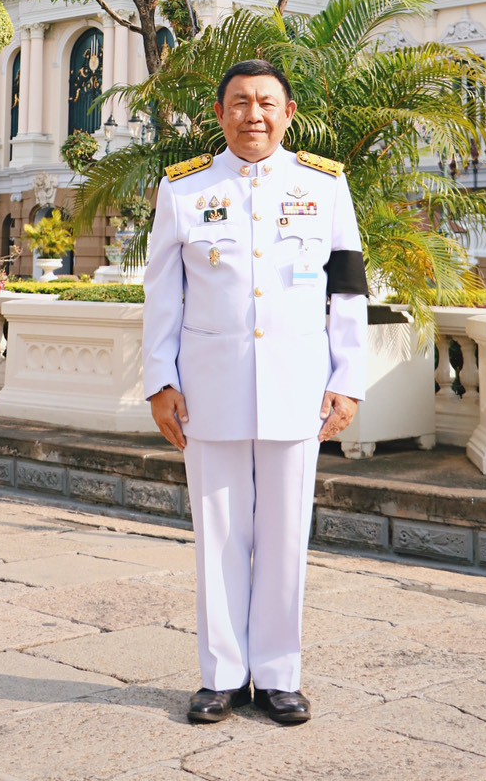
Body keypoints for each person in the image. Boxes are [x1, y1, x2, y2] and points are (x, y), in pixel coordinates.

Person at [142, 59, 368, 726]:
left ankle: (276, 675)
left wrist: (346, 379)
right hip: (207, 388)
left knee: (283, 535)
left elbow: (347, 290)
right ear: (219, 115)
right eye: (239, 103)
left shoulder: (322, 185)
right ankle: (220, 675)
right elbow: (162, 292)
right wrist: (160, 379)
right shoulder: (184, 189)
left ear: (288, 113)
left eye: (266, 103)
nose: (253, 115)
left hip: (298, 385)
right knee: (217, 534)